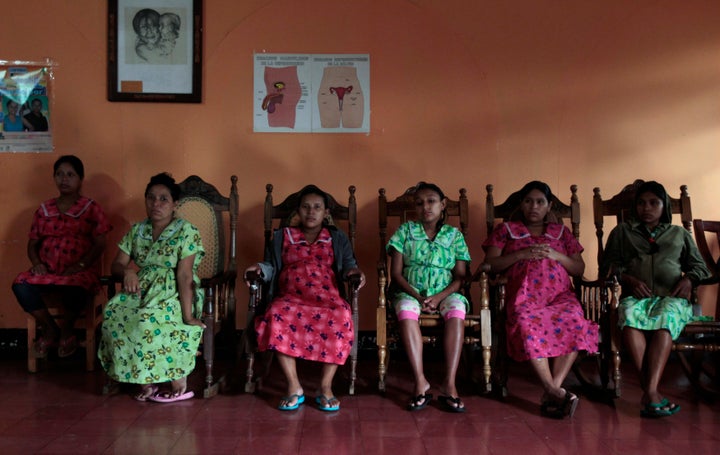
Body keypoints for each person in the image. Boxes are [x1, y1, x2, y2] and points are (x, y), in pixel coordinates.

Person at [244, 185, 366, 412]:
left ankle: (325, 387)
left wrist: (355, 273)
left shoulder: (336, 238)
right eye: (306, 207)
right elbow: (270, 265)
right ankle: (293, 386)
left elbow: (349, 265)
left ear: (326, 212)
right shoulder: (282, 236)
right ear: (298, 212)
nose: (311, 212)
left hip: (327, 296)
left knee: (341, 314)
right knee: (277, 314)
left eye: (317, 207)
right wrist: (258, 268)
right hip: (291, 295)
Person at [483, 181, 598, 418]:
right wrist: (520, 254)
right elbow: (490, 265)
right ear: (521, 204)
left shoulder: (562, 233)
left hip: (559, 297)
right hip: (524, 297)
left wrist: (557, 255)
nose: (533, 206)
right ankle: (553, 390)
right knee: (526, 325)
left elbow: (578, 268)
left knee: (576, 323)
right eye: (528, 201)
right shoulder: (506, 230)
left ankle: (552, 390)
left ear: (549, 206)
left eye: (540, 202)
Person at [601, 180, 710, 418]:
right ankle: (652, 395)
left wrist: (689, 280)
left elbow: (701, 267)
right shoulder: (622, 232)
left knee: (665, 317)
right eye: (641, 203)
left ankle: (649, 391)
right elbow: (607, 267)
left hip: (671, 298)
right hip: (635, 298)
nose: (646, 208)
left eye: (654, 202)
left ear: (665, 207)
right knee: (629, 315)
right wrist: (628, 279)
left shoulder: (678, 233)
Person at [98, 172, 206, 402]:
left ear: (175, 204)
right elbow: (117, 263)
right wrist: (127, 271)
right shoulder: (137, 231)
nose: (156, 204)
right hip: (141, 287)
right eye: (151, 198)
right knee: (116, 314)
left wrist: (188, 315)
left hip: (175, 290)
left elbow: (185, 274)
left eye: (164, 199)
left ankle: (177, 379)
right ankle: (145, 380)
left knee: (149, 318)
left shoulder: (187, 231)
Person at [12, 155, 111, 359]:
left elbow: (101, 243)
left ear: (80, 179)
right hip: (48, 272)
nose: (64, 179)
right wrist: (37, 264)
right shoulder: (44, 209)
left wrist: (81, 264)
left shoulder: (91, 208)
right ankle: (50, 329)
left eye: (70, 174)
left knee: (76, 287)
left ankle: (67, 330)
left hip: (77, 271)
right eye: (59, 174)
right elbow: (32, 245)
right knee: (20, 284)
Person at [387, 182, 471, 413]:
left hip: (446, 292)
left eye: (431, 201)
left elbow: (461, 277)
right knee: (405, 310)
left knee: (456, 311)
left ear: (443, 205)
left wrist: (438, 297)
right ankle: (420, 381)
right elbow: (395, 273)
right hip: (409, 291)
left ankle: (450, 382)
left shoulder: (455, 236)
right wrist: (418, 295)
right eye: (419, 202)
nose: (426, 206)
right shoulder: (404, 232)